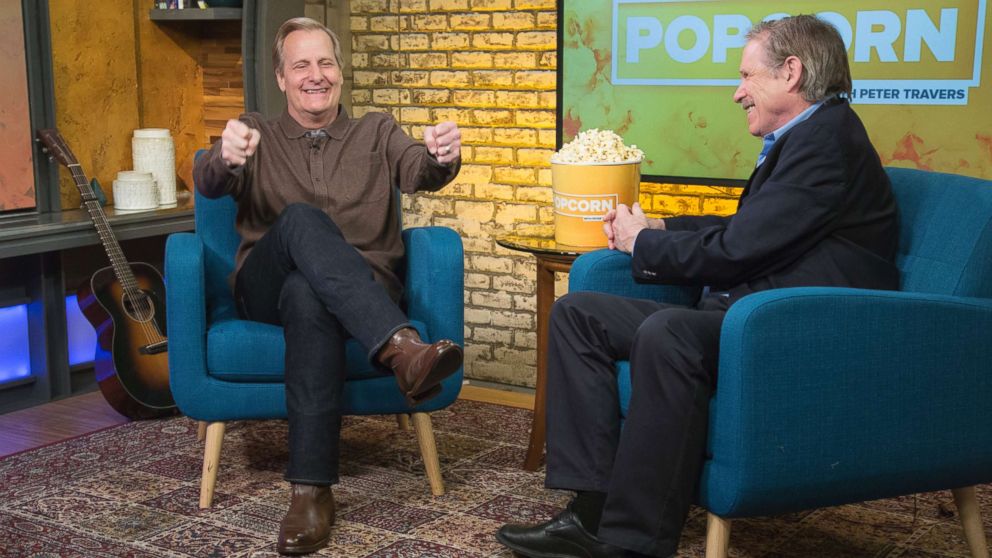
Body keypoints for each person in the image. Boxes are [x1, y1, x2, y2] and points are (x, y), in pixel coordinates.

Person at [496, 14, 899, 558]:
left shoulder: (828, 142)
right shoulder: (807, 135)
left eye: (747, 77)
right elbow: (750, 230)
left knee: (670, 333)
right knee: (578, 314)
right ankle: (591, 510)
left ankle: (633, 539)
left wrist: (642, 243)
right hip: (751, 310)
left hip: (801, 325)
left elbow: (739, 251)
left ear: (791, 73)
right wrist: (661, 229)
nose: (737, 93)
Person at [193, 17, 464, 556]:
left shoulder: (377, 131)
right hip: (263, 288)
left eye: (325, 63)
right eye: (301, 65)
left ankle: (311, 492)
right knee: (298, 222)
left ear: (340, 72)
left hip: (352, 288)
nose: (315, 75)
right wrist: (223, 158)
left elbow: (419, 170)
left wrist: (441, 155)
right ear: (281, 77)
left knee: (309, 293)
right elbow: (207, 179)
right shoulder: (255, 133)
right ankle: (401, 347)